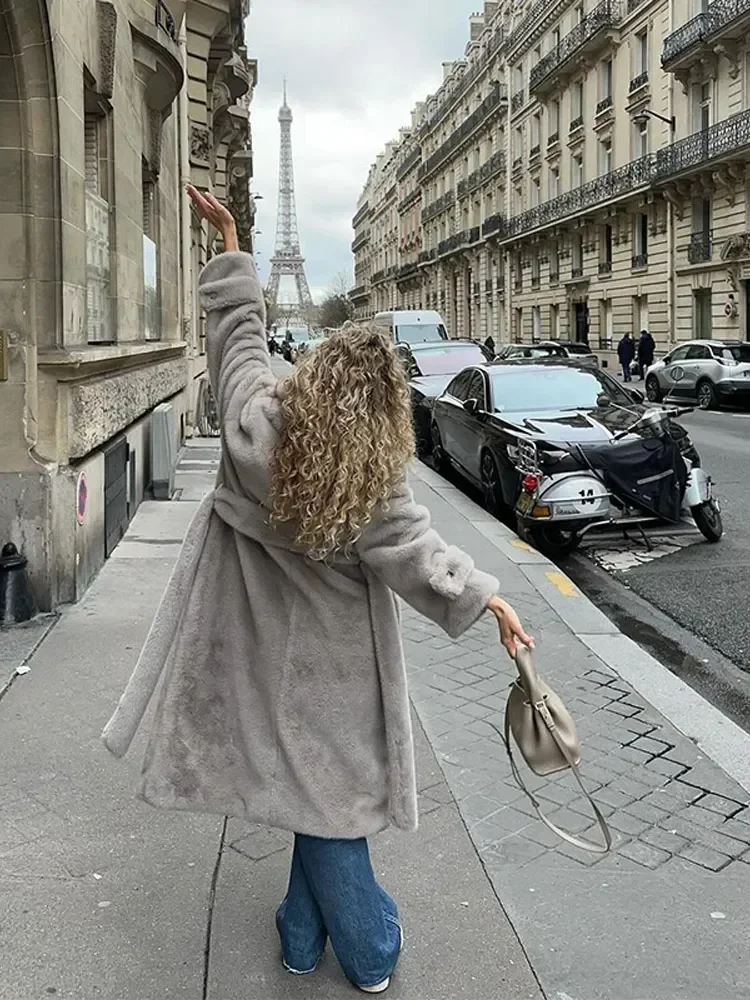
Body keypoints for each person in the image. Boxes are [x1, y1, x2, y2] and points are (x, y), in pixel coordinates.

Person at [103, 188, 532, 996]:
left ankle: (299, 938)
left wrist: (232, 248)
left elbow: (238, 342)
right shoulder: (372, 487)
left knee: (310, 798)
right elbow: (421, 554)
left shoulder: (252, 424)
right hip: (331, 673)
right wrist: (492, 600)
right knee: (335, 811)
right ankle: (371, 951)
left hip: (253, 649)